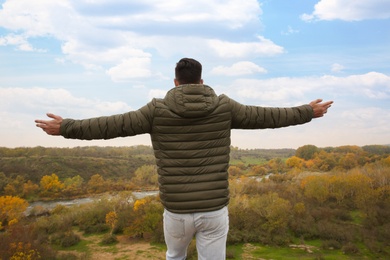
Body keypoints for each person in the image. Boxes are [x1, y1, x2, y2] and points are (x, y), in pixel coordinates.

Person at [35, 58, 333, 260]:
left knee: (174, 257)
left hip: (176, 210)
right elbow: (269, 116)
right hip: (214, 210)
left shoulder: (156, 110)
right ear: (201, 80)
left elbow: (112, 125)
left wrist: (67, 128)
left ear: (175, 82)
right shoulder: (224, 107)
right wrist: (307, 111)